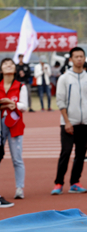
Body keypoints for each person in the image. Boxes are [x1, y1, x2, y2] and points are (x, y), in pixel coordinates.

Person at [51, 47, 87, 195]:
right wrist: (67, 121)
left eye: (81, 56)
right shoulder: (64, 78)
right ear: (71, 59)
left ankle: (75, 182)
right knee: (65, 152)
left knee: (81, 153)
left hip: (85, 123)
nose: (79, 59)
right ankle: (58, 183)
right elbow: (60, 101)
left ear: (84, 58)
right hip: (69, 123)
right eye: (76, 57)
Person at [0, 58, 28, 200]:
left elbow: (24, 106)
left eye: (11, 64)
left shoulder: (21, 86)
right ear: (1, 70)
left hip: (14, 124)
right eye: (5, 64)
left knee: (17, 158)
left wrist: (14, 104)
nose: (8, 65)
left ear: (15, 69)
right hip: (0, 125)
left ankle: (19, 188)